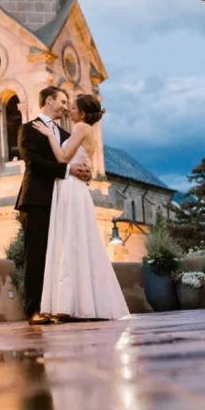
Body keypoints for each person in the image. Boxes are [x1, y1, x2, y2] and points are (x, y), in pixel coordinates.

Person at [31, 93, 130, 322]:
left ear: (83, 113)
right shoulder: (88, 131)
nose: (69, 110)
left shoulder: (81, 128)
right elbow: (84, 163)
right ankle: (81, 303)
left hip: (70, 189)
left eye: (73, 107)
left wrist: (49, 135)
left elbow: (63, 157)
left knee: (69, 241)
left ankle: (69, 304)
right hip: (75, 188)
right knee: (78, 242)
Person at [16, 87, 92, 326]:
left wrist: (85, 172)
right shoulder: (28, 129)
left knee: (61, 255)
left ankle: (57, 306)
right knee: (36, 255)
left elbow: (76, 159)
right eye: (62, 101)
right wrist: (69, 170)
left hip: (64, 201)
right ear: (49, 100)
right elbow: (34, 163)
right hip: (37, 199)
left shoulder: (66, 134)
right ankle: (34, 310)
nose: (66, 107)